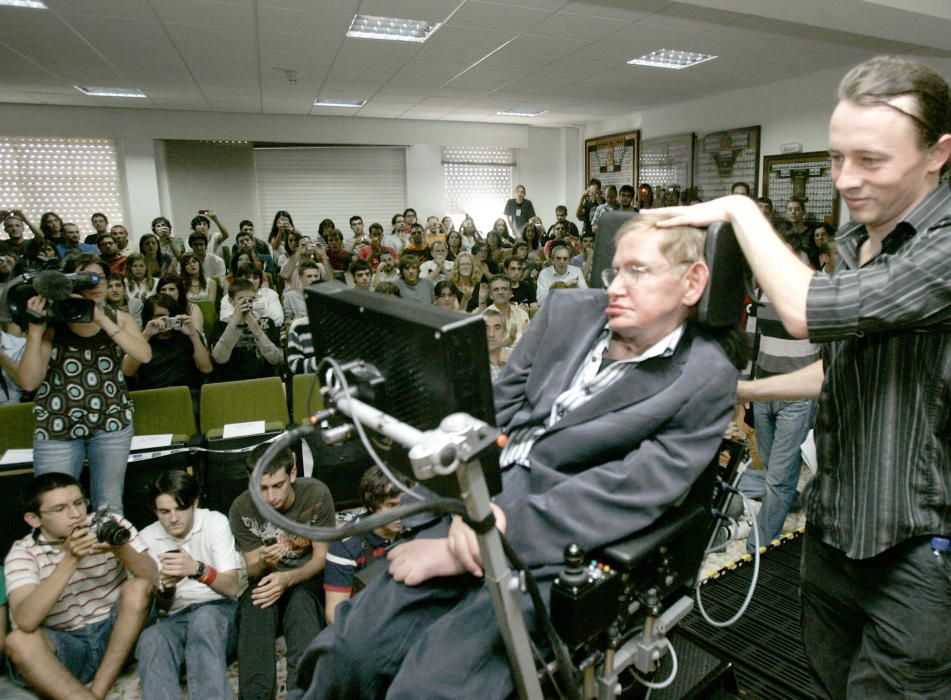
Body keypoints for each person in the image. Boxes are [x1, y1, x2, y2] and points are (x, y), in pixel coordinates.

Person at [294, 211, 739, 698]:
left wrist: (474, 539)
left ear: (692, 282)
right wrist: (461, 502)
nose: (615, 287)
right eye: (614, 270)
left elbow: (622, 495)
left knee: (430, 685)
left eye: (639, 271)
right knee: (346, 653)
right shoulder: (568, 312)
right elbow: (495, 407)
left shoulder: (704, 377)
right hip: (474, 502)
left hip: (549, 546)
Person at [656, 55, 951, 700]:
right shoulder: (861, 239)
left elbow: (807, 312)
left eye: (870, 160)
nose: (846, 179)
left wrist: (739, 208)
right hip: (837, 528)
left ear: (938, 154)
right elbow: (841, 367)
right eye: (837, 157)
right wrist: (740, 391)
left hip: (919, 552)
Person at [3, 473, 156, 700]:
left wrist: (120, 549)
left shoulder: (110, 524)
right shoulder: (23, 552)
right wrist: (70, 559)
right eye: (60, 509)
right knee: (18, 641)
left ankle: (97, 691)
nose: (75, 515)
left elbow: (154, 580)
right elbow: (26, 620)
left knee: (138, 588)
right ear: (34, 519)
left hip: (118, 634)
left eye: (78, 503)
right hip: (69, 645)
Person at [18, 254, 151, 514]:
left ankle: (106, 554)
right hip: (58, 422)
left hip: (111, 421)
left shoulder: (119, 318)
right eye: (84, 278)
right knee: (54, 505)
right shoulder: (52, 322)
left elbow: (143, 355)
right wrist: (35, 331)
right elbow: (28, 381)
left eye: (99, 278)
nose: (94, 284)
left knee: (109, 504)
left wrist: (100, 317)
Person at [229, 445, 335, 700]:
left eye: (277, 485)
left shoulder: (316, 494)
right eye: (262, 488)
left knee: (301, 606)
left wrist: (288, 578)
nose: (270, 497)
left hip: (307, 576)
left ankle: (303, 692)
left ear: (292, 474)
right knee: (255, 605)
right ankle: (255, 695)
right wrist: (264, 563)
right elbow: (253, 570)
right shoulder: (241, 507)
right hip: (268, 577)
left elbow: (322, 558)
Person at [135, 471, 242, 700]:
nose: (173, 518)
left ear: (194, 503)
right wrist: (167, 587)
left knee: (204, 619)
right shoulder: (147, 538)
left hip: (219, 610)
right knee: (151, 638)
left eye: (180, 508)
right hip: (177, 617)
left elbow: (232, 587)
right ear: (155, 511)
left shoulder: (214, 522)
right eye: (164, 511)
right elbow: (161, 606)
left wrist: (197, 569)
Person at [324, 467, 407, 625]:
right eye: (391, 506)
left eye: (404, 503)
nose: (401, 513)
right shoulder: (345, 545)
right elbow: (334, 617)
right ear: (371, 506)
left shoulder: (415, 527)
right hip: (366, 623)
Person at [122, 293, 213, 410]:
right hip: (153, 396)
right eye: (159, 316)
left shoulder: (188, 335)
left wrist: (193, 335)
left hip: (187, 395)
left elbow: (206, 368)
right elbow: (127, 371)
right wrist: (146, 335)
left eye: (170, 317)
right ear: (149, 318)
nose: (165, 321)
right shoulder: (141, 337)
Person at [209, 279, 283, 382]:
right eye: (241, 299)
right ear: (231, 300)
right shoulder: (221, 325)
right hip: (231, 382)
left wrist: (258, 332)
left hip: (263, 381)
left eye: (251, 299)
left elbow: (276, 359)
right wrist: (233, 324)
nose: (247, 303)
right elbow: (219, 358)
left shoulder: (267, 322)